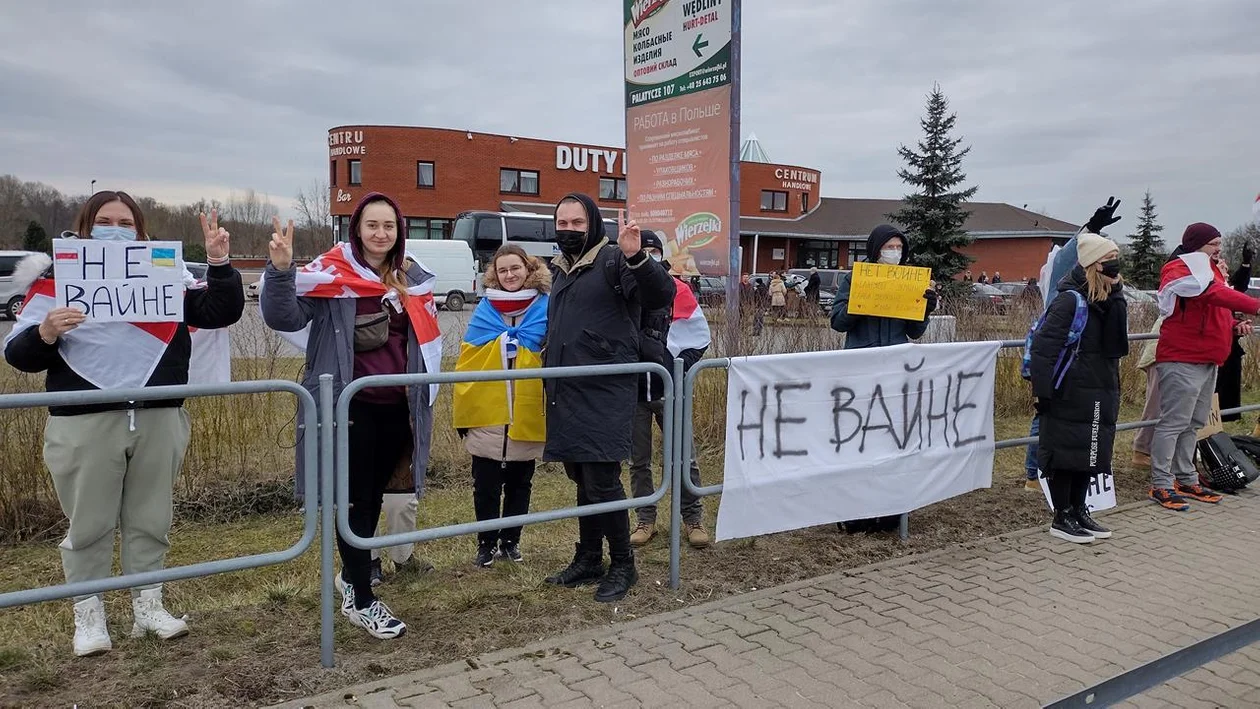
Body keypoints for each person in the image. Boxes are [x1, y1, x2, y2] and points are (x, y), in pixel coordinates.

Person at [3, 191, 244, 657]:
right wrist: (47, 331)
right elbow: (18, 354)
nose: (117, 229)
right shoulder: (59, 278)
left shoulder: (166, 272)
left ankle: (147, 605)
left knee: (151, 517)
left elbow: (219, 311)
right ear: (87, 227)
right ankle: (88, 613)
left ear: (140, 229)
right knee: (88, 522)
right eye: (106, 221)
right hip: (85, 419)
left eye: (126, 221)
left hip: (157, 413)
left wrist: (218, 263)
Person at [261, 192, 442, 639]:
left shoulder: (411, 277)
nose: (381, 234)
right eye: (372, 225)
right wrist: (281, 271)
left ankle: (353, 579)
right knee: (352, 501)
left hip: (399, 408)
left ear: (400, 231)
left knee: (374, 498)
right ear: (356, 229)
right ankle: (362, 597)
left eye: (389, 226)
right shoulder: (330, 273)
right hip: (348, 407)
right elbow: (282, 316)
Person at [541, 194, 674, 603]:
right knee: (581, 477)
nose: (568, 229)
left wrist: (637, 257)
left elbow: (661, 294)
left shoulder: (615, 260)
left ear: (593, 224)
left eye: (577, 222)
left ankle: (623, 564)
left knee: (603, 480)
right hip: (566, 389)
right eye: (562, 222)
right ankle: (588, 557)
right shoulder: (561, 268)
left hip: (604, 389)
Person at [829, 224, 937, 533]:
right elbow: (838, 321)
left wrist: (925, 308)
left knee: (893, 441)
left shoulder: (908, 282)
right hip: (862, 372)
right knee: (860, 441)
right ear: (876, 250)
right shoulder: (854, 279)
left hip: (896, 372)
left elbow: (914, 332)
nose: (894, 252)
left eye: (899, 248)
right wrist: (861, 301)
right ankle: (855, 512)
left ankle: (892, 511)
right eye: (889, 247)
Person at [1148, 223, 1260, 510]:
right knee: (1173, 422)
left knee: (1194, 422)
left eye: (1219, 243)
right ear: (1196, 244)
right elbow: (1210, 295)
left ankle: (1186, 477)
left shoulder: (1208, 271)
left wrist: (1234, 326)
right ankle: (1161, 483)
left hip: (1209, 358)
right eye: (1213, 243)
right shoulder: (1179, 270)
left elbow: (1216, 310)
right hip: (1182, 358)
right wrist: (1254, 305)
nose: (1218, 249)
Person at [453, 245, 550, 567]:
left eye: (516, 268)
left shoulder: (545, 308)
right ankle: (485, 543)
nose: (510, 275)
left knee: (521, 483)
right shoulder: (484, 311)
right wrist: (500, 346)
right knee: (485, 485)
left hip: (527, 408)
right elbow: (468, 359)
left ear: (529, 270)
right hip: (488, 412)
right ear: (495, 274)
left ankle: (511, 542)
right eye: (503, 270)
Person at [1030, 234, 1126, 543]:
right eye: (1110, 259)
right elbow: (1045, 348)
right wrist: (1042, 393)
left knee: (1092, 451)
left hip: (1100, 386)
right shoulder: (1069, 299)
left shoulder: (1109, 299)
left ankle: (1080, 509)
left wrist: (1118, 293)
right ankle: (1062, 515)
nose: (1116, 265)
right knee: (1066, 452)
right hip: (1069, 389)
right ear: (1094, 264)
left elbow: (1116, 344)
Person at [1024, 198, 1123, 491]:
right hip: (1065, 366)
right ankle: (1034, 473)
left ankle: (1070, 494)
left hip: (1091, 372)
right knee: (1048, 423)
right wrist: (1091, 227)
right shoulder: (1064, 284)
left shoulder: (1106, 290)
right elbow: (1073, 254)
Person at [628, 231, 712, 549]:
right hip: (635, 391)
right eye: (642, 250)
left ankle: (693, 518)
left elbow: (699, 339)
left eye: (653, 251)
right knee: (639, 461)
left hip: (670, 391)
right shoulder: (627, 289)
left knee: (683, 457)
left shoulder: (678, 290)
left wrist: (678, 368)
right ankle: (645, 519)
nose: (648, 256)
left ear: (661, 256)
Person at [1217, 245, 1252, 422]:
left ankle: (1217, 426)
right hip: (1213, 350)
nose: (1227, 272)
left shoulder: (1225, 287)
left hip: (1229, 348)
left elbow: (1238, 286)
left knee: (1225, 395)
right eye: (1223, 268)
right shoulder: (1210, 288)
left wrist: (1246, 264)